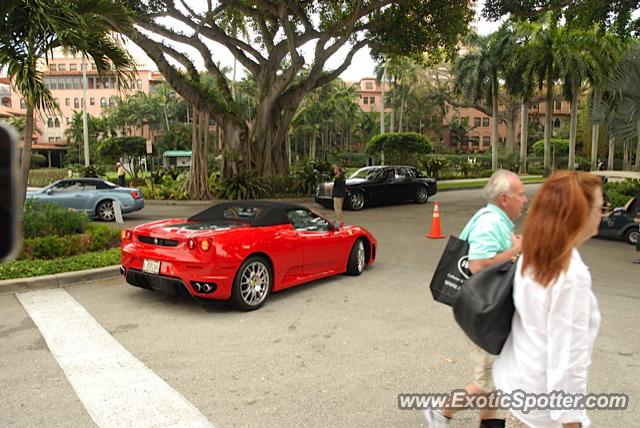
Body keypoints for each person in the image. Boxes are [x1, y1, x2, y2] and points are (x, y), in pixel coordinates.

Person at [493, 171, 603, 427]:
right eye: (599, 207)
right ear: (578, 214)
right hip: (540, 410)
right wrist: (572, 421)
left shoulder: (533, 252)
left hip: (518, 389)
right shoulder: (571, 275)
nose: (603, 213)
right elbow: (567, 359)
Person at [424, 169, 528, 428]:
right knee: (487, 382)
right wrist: (515, 251)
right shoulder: (490, 222)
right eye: (521, 194)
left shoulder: (498, 221)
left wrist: (511, 249)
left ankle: (487, 424)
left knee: (491, 380)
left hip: (488, 311)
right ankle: (441, 410)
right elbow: (478, 265)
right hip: (483, 313)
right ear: (504, 199)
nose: (525, 200)